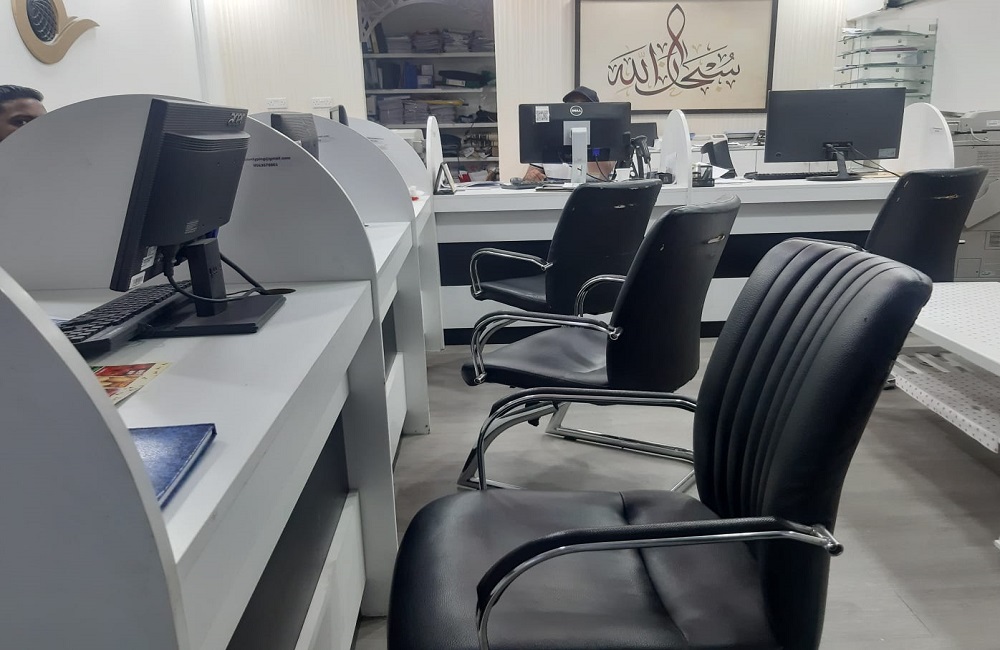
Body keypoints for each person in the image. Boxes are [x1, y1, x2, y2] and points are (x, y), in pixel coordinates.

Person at [521, 85, 614, 183]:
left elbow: (603, 174)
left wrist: (590, 137)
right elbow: (530, 177)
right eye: (571, 104)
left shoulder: (604, 142)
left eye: (584, 105)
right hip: (554, 192)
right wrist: (531, 177)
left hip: (591, 192)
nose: (577, 110)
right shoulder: (547, 140)